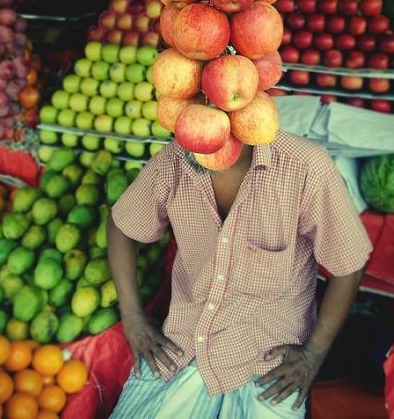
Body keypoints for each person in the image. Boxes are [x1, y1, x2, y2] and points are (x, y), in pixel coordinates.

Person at [107, 130, 372, 418]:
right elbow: (122, 226)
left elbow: (350, 264)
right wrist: (132, 317)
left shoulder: (305, 166)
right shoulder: (174, 160)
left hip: (269, 367)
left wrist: (313, 354)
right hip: (183, 349)